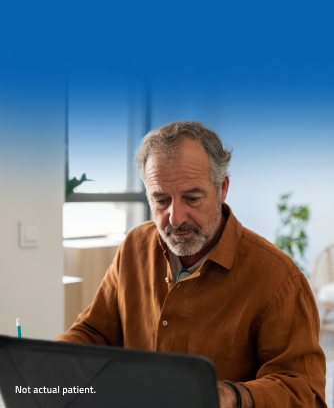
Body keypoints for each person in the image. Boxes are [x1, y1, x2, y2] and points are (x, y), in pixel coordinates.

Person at [56, 121, 326, 407]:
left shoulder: (279, 278)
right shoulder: (135, 247)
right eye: (161, 200)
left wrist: (231, 396)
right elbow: (94, 332)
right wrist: (49, 361)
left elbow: (304, 392)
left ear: (222, 189)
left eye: (192, 198)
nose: (175, 218)